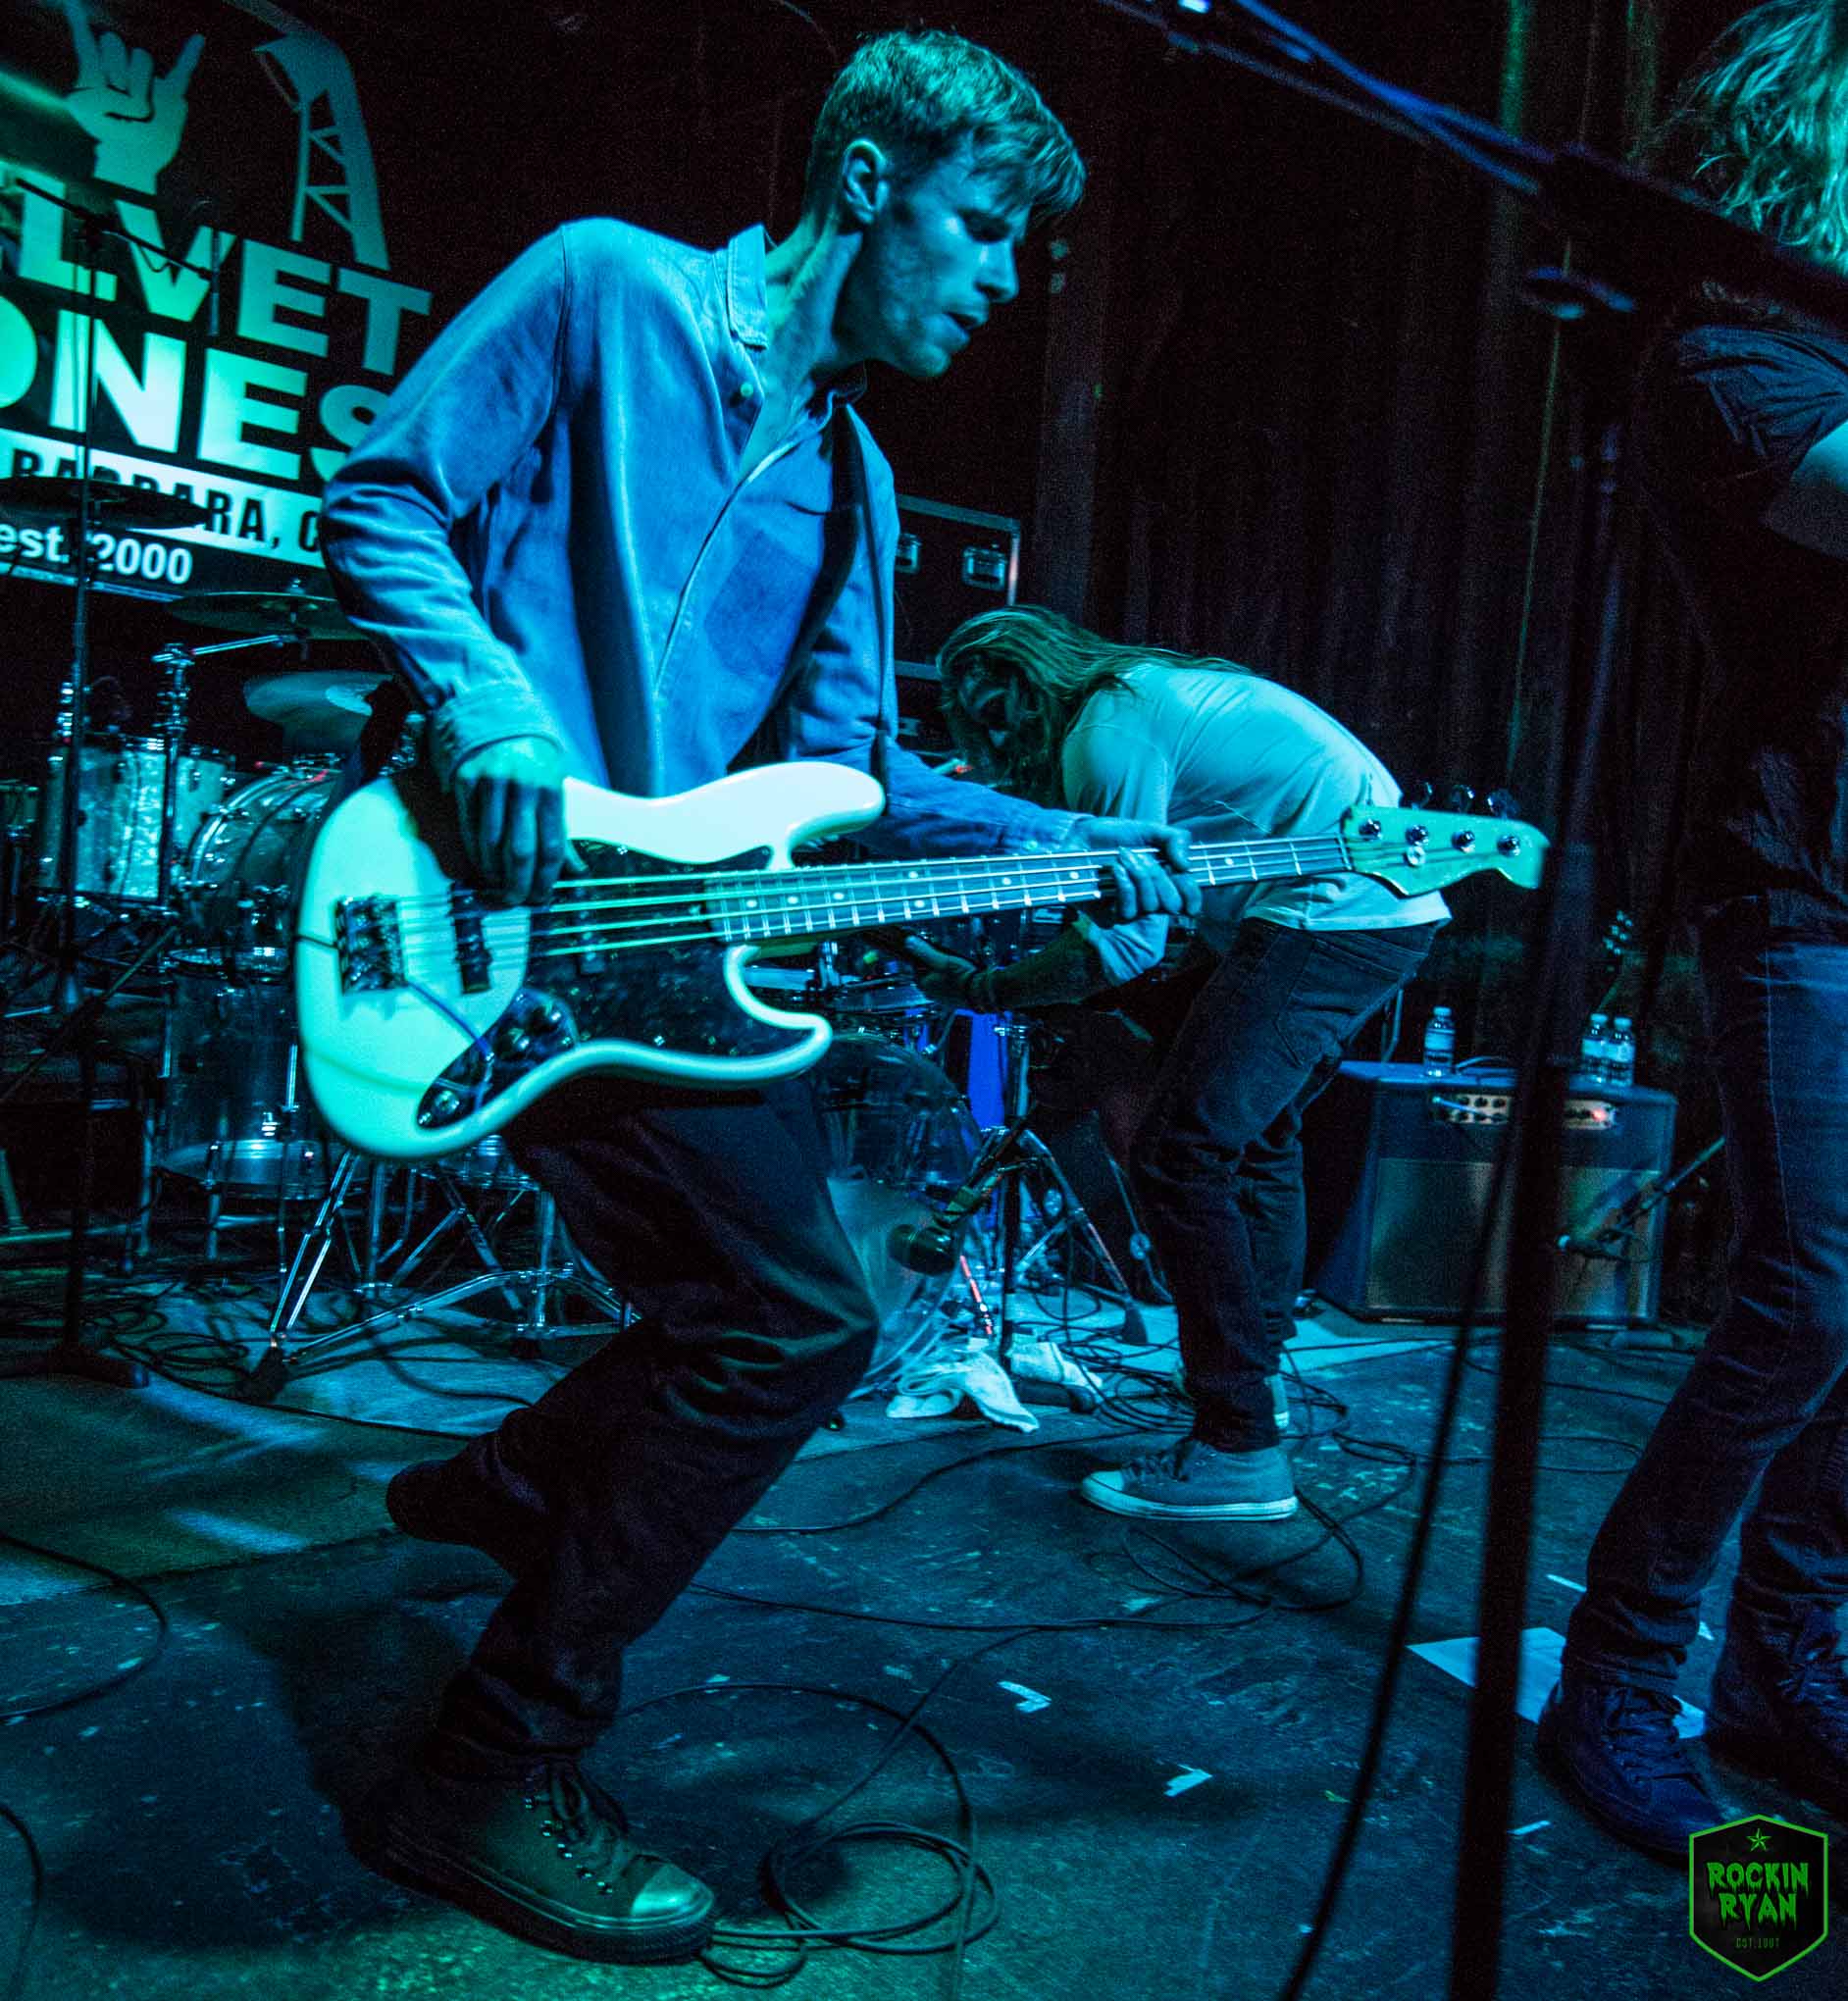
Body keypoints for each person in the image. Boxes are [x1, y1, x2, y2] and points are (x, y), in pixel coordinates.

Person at [315, 29, 1196, 1965]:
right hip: (479, 901)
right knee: (792, 1320)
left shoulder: (857, 487)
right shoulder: (603, 290)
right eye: (981, 227)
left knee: (773, 1311)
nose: (1000, 279)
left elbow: (848, 789)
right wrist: (491, 711)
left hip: (666, 963)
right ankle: (487, 1761)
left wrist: (1076, 849)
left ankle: (521, 1479)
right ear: (867, 182)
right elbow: (378, 500)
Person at [1536, 0, 1848, 1859]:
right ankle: (1616, 1673)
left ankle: (1785, 1657)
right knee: (1807, 1294)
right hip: (1799, 881)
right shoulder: (1730, 364)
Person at [912, 605, 1447, 1523]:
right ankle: (1254, 1393)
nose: (994, 736)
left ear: (1033, 677)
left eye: (997, 709)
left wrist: (986, 986)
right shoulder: (1138, 700)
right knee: (1255, 1141)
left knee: (1179, 1152)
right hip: (1353, 911)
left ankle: (1238, 1446)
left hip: (1332, 911)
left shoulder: (1106, 727)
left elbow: (1126, 944)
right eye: (976, 721)